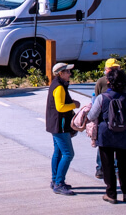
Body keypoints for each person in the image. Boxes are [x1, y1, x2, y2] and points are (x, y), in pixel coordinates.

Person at [88, 69, 126, 204]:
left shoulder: (102, 98)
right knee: (124, 165)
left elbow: (91, 116)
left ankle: (111, 194)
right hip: (123, 135)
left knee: (108, 165)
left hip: (105, 135)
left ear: (108, 81)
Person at [93, 58, 126, 178]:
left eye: (116, 68)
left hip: (120, 118)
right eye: (113, 68)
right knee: (103, 145)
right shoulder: (101, 82)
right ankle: (100, 168)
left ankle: (118, 168)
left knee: (119, 146)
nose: (115, 70)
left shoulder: (125, 81)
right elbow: (97, 98)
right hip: (105, 119)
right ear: (106, 69)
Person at [46, 62, 79, 195]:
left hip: (54, 125)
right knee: (68, 154)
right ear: (60, 73)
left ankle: (55, 180)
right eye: (67, 72)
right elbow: (60, 107)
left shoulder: (56, 84)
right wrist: (74, 105)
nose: (70, 74)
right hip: (60, 126)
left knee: (58, 153)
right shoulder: (59, 87)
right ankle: (59, 183)